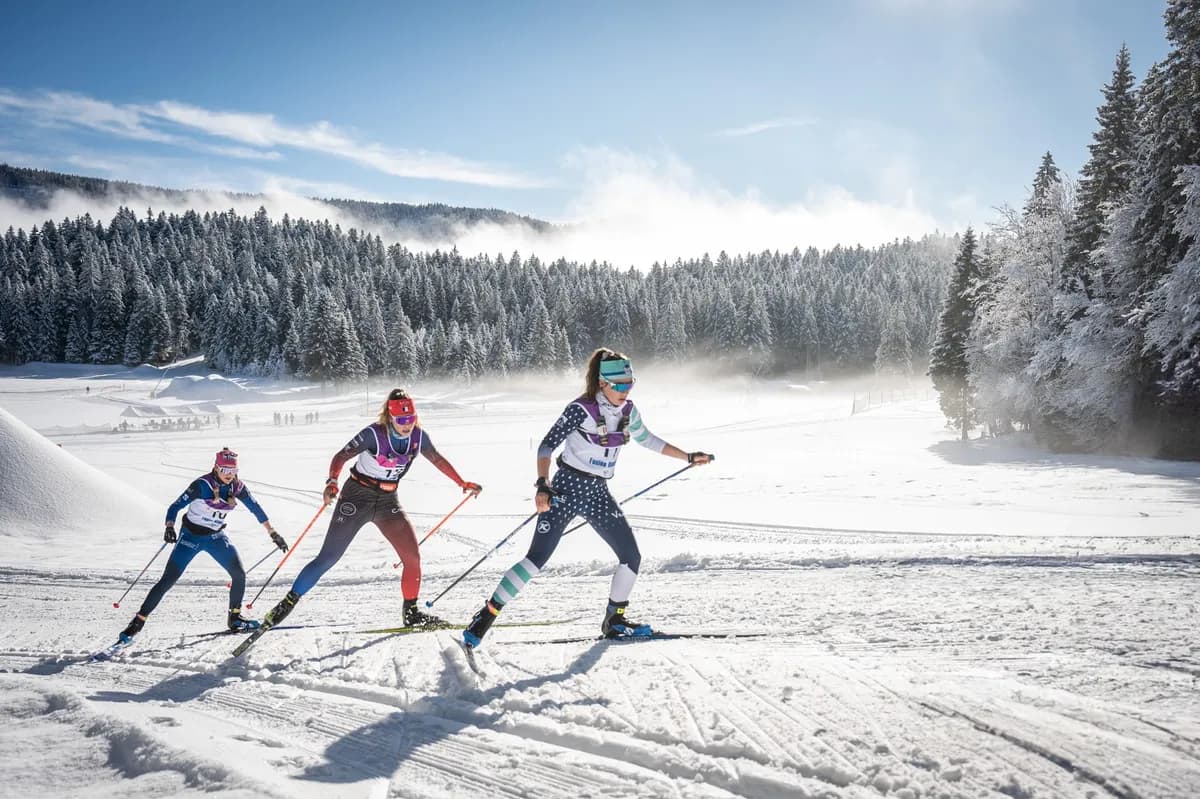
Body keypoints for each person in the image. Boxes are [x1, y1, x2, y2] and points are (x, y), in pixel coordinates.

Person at [462, 348, 714, 648]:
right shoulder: (580, 409)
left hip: (598, 493)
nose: (626, 390)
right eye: (620, 385)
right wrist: (543, 485)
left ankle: (614, 621)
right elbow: (546, 447)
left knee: (631, 557)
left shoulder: (628, 411)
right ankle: (486, 616)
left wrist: (686, 456)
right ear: (603, 383)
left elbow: (647, 439)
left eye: (630, 383)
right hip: (566, 489)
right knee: (535, 560)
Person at [260, 389, 482, 630]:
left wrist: (462, 483)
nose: (407, 425)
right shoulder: (373, 434)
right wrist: (332, 481)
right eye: (401, 420)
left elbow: (437, 459)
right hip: (357, 496)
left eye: (411, 419)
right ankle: (286, 604)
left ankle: (411, 613)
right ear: (390, 417)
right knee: (329, 557)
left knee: (412, 557)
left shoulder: (419, 437)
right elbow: (340, 456)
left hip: (388, 501)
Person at [118, 448, 288, 642]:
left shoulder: (237, 487)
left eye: (233, 471)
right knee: (169, 579)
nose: (229, 475)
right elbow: (175, 506)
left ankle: (235, 618)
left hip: (216, 537)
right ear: (216, 468)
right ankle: (138, 622)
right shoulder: (202, 485)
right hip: (190, 537)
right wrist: (170, 526)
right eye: (225, 470)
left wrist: (272, 532)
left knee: (239, 574)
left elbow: (255, 508)